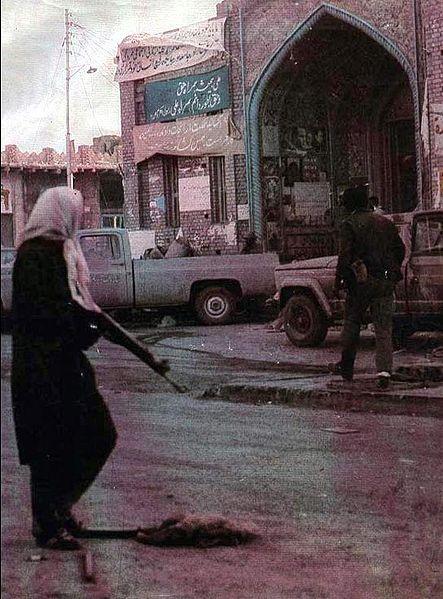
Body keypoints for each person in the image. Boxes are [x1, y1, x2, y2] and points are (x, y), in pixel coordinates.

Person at [11, 187, 117, 550]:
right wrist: (86, 329)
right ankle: (48, 522)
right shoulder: (37, 255)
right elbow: (49, 315)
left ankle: (59, 507)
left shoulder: (62, 251)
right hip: (43, 366)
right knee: (48, 446)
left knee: (98, 434)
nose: (80, 219)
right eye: (75, 213)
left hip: (64, 363)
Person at [330, 186, 406, 388]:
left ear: (349, 205)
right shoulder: (384, 222)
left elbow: (344, 257)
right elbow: (400, 249)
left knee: (352, 323)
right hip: (385, 282)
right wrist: (391, 271)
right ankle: (384, 371)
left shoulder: (349, 224)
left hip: (360, 283)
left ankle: (347, 367)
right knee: (383, 328)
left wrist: (339, 282)